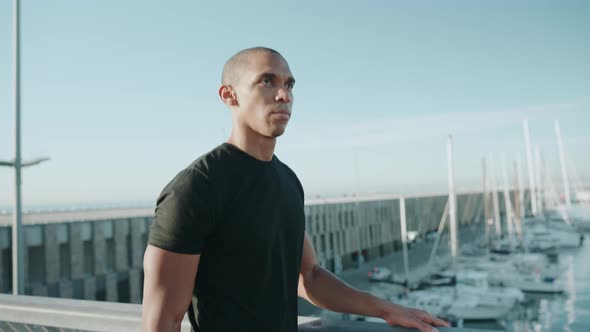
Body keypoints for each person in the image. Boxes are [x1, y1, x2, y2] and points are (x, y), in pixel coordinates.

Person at [141, 47, 448, 332]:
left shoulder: (288, 181)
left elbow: (310, 276)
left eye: (289, 85)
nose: (283, 95)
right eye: (267, 81)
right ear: (229, 95)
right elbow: (163, 320)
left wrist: (385, 309)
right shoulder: (196, 188)